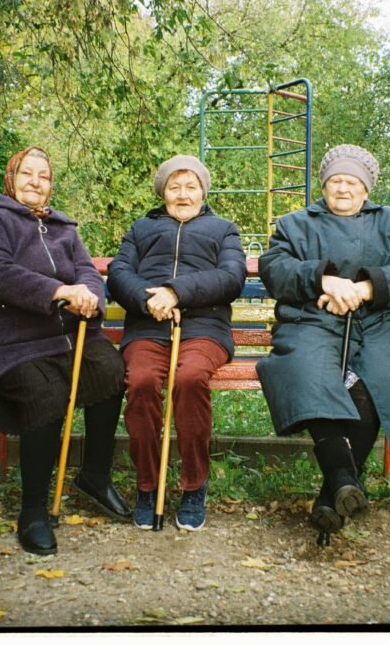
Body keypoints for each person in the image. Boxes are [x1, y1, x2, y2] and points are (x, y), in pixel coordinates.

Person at [256, 144, 390, 534]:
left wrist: (365, 290)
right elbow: (275, 268)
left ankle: (333, 492)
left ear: (366, 188)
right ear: (323, 186)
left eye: (352, 182)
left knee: (377, 385)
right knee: (306, 372)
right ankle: (342, 477)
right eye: (335, 181)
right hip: (311, 321)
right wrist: (323, 280)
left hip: (374, 324)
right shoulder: (295, 223)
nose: (343, 188)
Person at [0, 146, 131, 556]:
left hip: (66, 337)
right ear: (12, 178)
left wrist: (89, 295)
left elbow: (88, 272)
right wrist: (57, 291)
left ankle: (94, 475)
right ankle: (34, 509)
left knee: (111, 368)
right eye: (27, 174)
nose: (36, 182)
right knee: (45, 392)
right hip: (11, 339)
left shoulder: (63, 229)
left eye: (43, 176)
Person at [108, 155, 246, 532]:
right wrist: (147, 299)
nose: (183, 195)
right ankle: (147, 486)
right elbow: (118, 273)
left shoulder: (224, 229)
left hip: (204, 328)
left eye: (191, 186)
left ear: (203, 191)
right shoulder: (141, 228)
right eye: (174, 187)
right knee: (139, 383)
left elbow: (232, 277)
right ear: (163, 192)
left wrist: (175, 292)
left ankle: (193, 485)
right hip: (148, 328)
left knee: (189, 379)